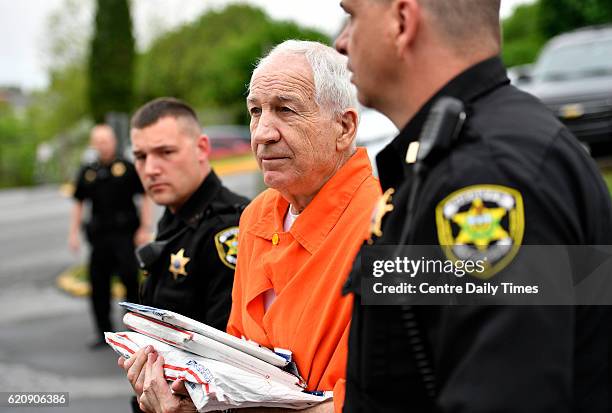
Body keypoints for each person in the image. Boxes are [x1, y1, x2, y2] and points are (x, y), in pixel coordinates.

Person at [335, 0, 612, 412]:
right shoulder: (475, 150)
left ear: (402, 20)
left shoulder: (486, 174)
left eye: (353, 16)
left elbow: (508, 394)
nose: (341, 42)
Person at [127, 41, 381, 413]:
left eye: (285, 110)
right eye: (255, 111)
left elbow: (396, 399)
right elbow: (238, 368)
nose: (262, 133)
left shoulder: (388, 226)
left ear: (344, 127)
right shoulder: (257, 216)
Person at [119, 98, 248, 411]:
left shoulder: (227, 228)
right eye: (140, 156)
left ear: (202, 148)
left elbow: (226, 359)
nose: (150, 169)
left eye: (166, 152)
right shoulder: (176, 216)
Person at [68, 124, 152, 349]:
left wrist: (144, 227)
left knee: (129, 279)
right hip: (99, 238)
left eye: (107, 140)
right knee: (98, 284)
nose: (103, 145)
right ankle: (102, 332)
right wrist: (73, 233)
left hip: (125, 235)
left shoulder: (125, 167)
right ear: (93, 144)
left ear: (114, 141)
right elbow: (79, 202)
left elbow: (144, 196)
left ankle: (136, 329)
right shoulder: (88, 171)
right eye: (99, 141)